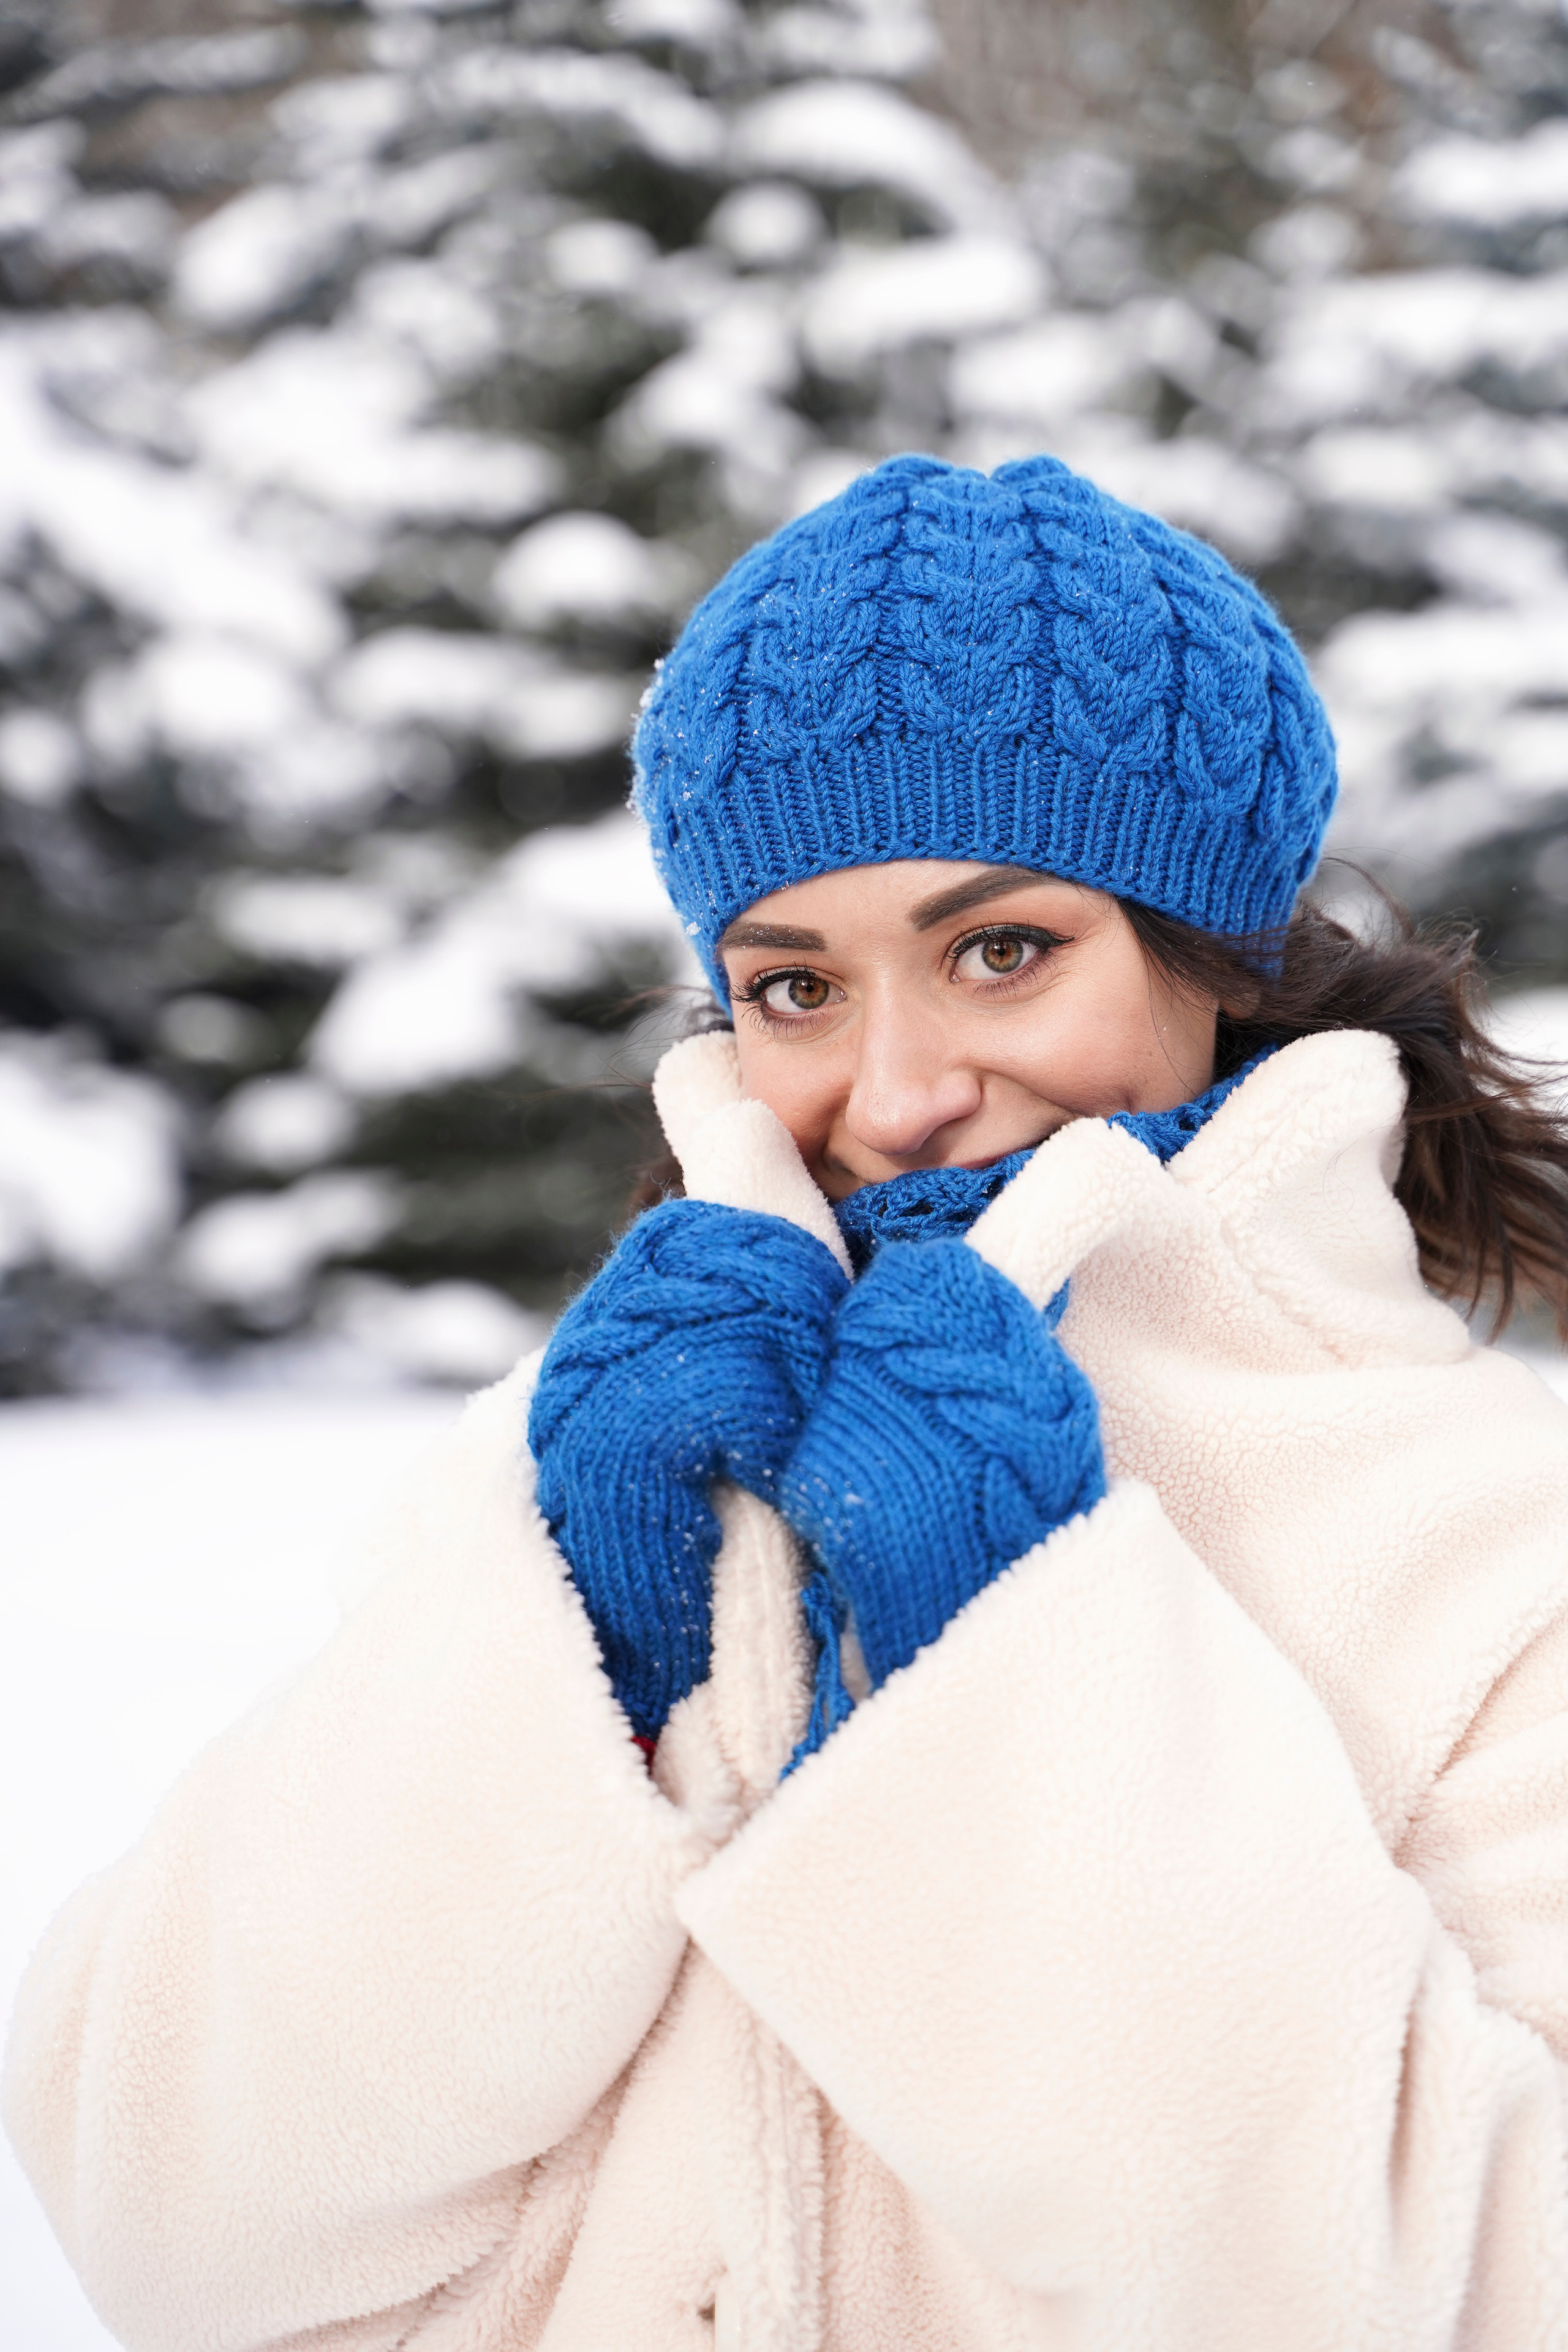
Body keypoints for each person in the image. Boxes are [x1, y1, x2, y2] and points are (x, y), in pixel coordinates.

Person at [9, 452, 1568, 2352]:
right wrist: (574, 1634)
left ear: (1217, 963)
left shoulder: (1491, 1534)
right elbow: (171, 2232)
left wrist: (1007, 1654)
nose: (896, 1091)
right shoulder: (572, 1451)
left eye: (1004, 950)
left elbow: (1489, 2289)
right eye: (796, 986)